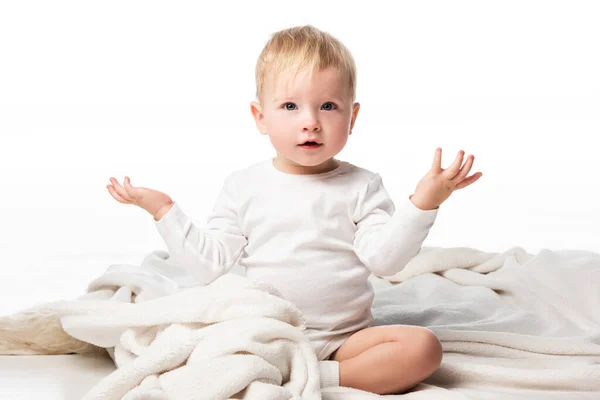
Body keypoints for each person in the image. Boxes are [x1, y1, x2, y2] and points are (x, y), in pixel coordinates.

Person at [106, 25, 482, 395]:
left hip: (345, 339)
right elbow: (210, 265)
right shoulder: (244, 186)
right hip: (267, 332)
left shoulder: (361, 186)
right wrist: (164, 211)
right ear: (260, 117)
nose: (311, 122)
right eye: (290, 106)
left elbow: (384, 261)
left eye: (329, 106)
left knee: (424, 349)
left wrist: (423, 203)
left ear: (352, 118)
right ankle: (294, 365)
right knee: (210, 352)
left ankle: (316, 374)